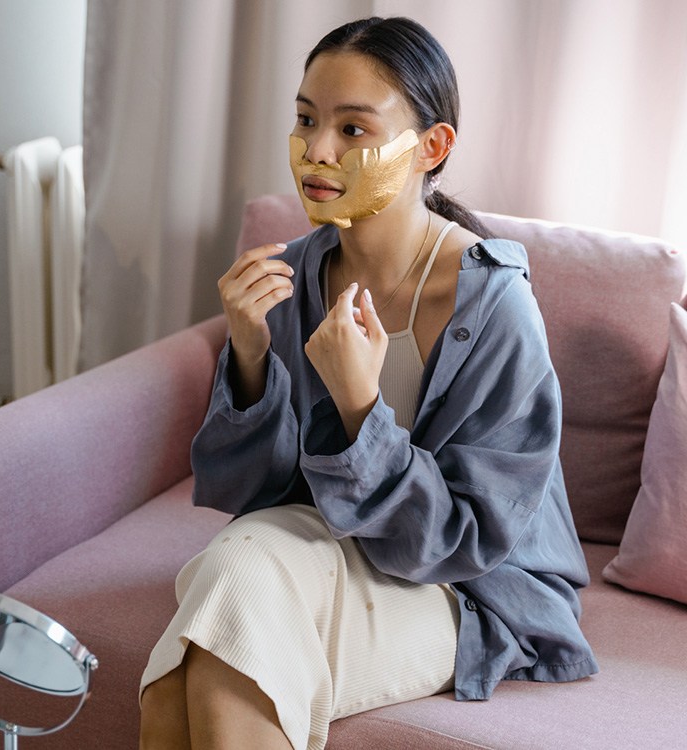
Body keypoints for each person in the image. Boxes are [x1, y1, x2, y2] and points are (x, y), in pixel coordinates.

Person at [139, 16, 597, 750]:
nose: (317, 151)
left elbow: (463, 541)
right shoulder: (292, 276)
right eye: (305, 120)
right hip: (327, 547)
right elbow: (255, 497)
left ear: (431, 147)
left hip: (465, 587)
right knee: (226, 591)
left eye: (353, 129)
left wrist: (360, 407)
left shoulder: (495, 306)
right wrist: (250, 355)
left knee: (201, 654)